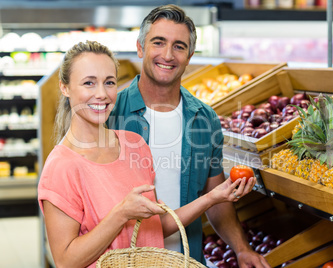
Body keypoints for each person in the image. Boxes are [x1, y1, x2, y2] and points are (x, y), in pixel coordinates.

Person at [38, 40, 254, 268]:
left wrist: (213, 197)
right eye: (89, 83)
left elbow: (155, 226)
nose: (101, 94)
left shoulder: (134, 144)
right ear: (65, 87)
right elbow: (65, 261)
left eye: (109, 82)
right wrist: (120, 214)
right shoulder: (60, 167)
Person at [107, 5, 271, 268]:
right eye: (158, 43)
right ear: (140, 48)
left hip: (187, 261)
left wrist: (241, 249)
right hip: (124, 262)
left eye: (179, 46)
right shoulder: (111, 112)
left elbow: (214, 197)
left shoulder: (205, 119)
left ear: (190, 55)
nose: (168, 55)